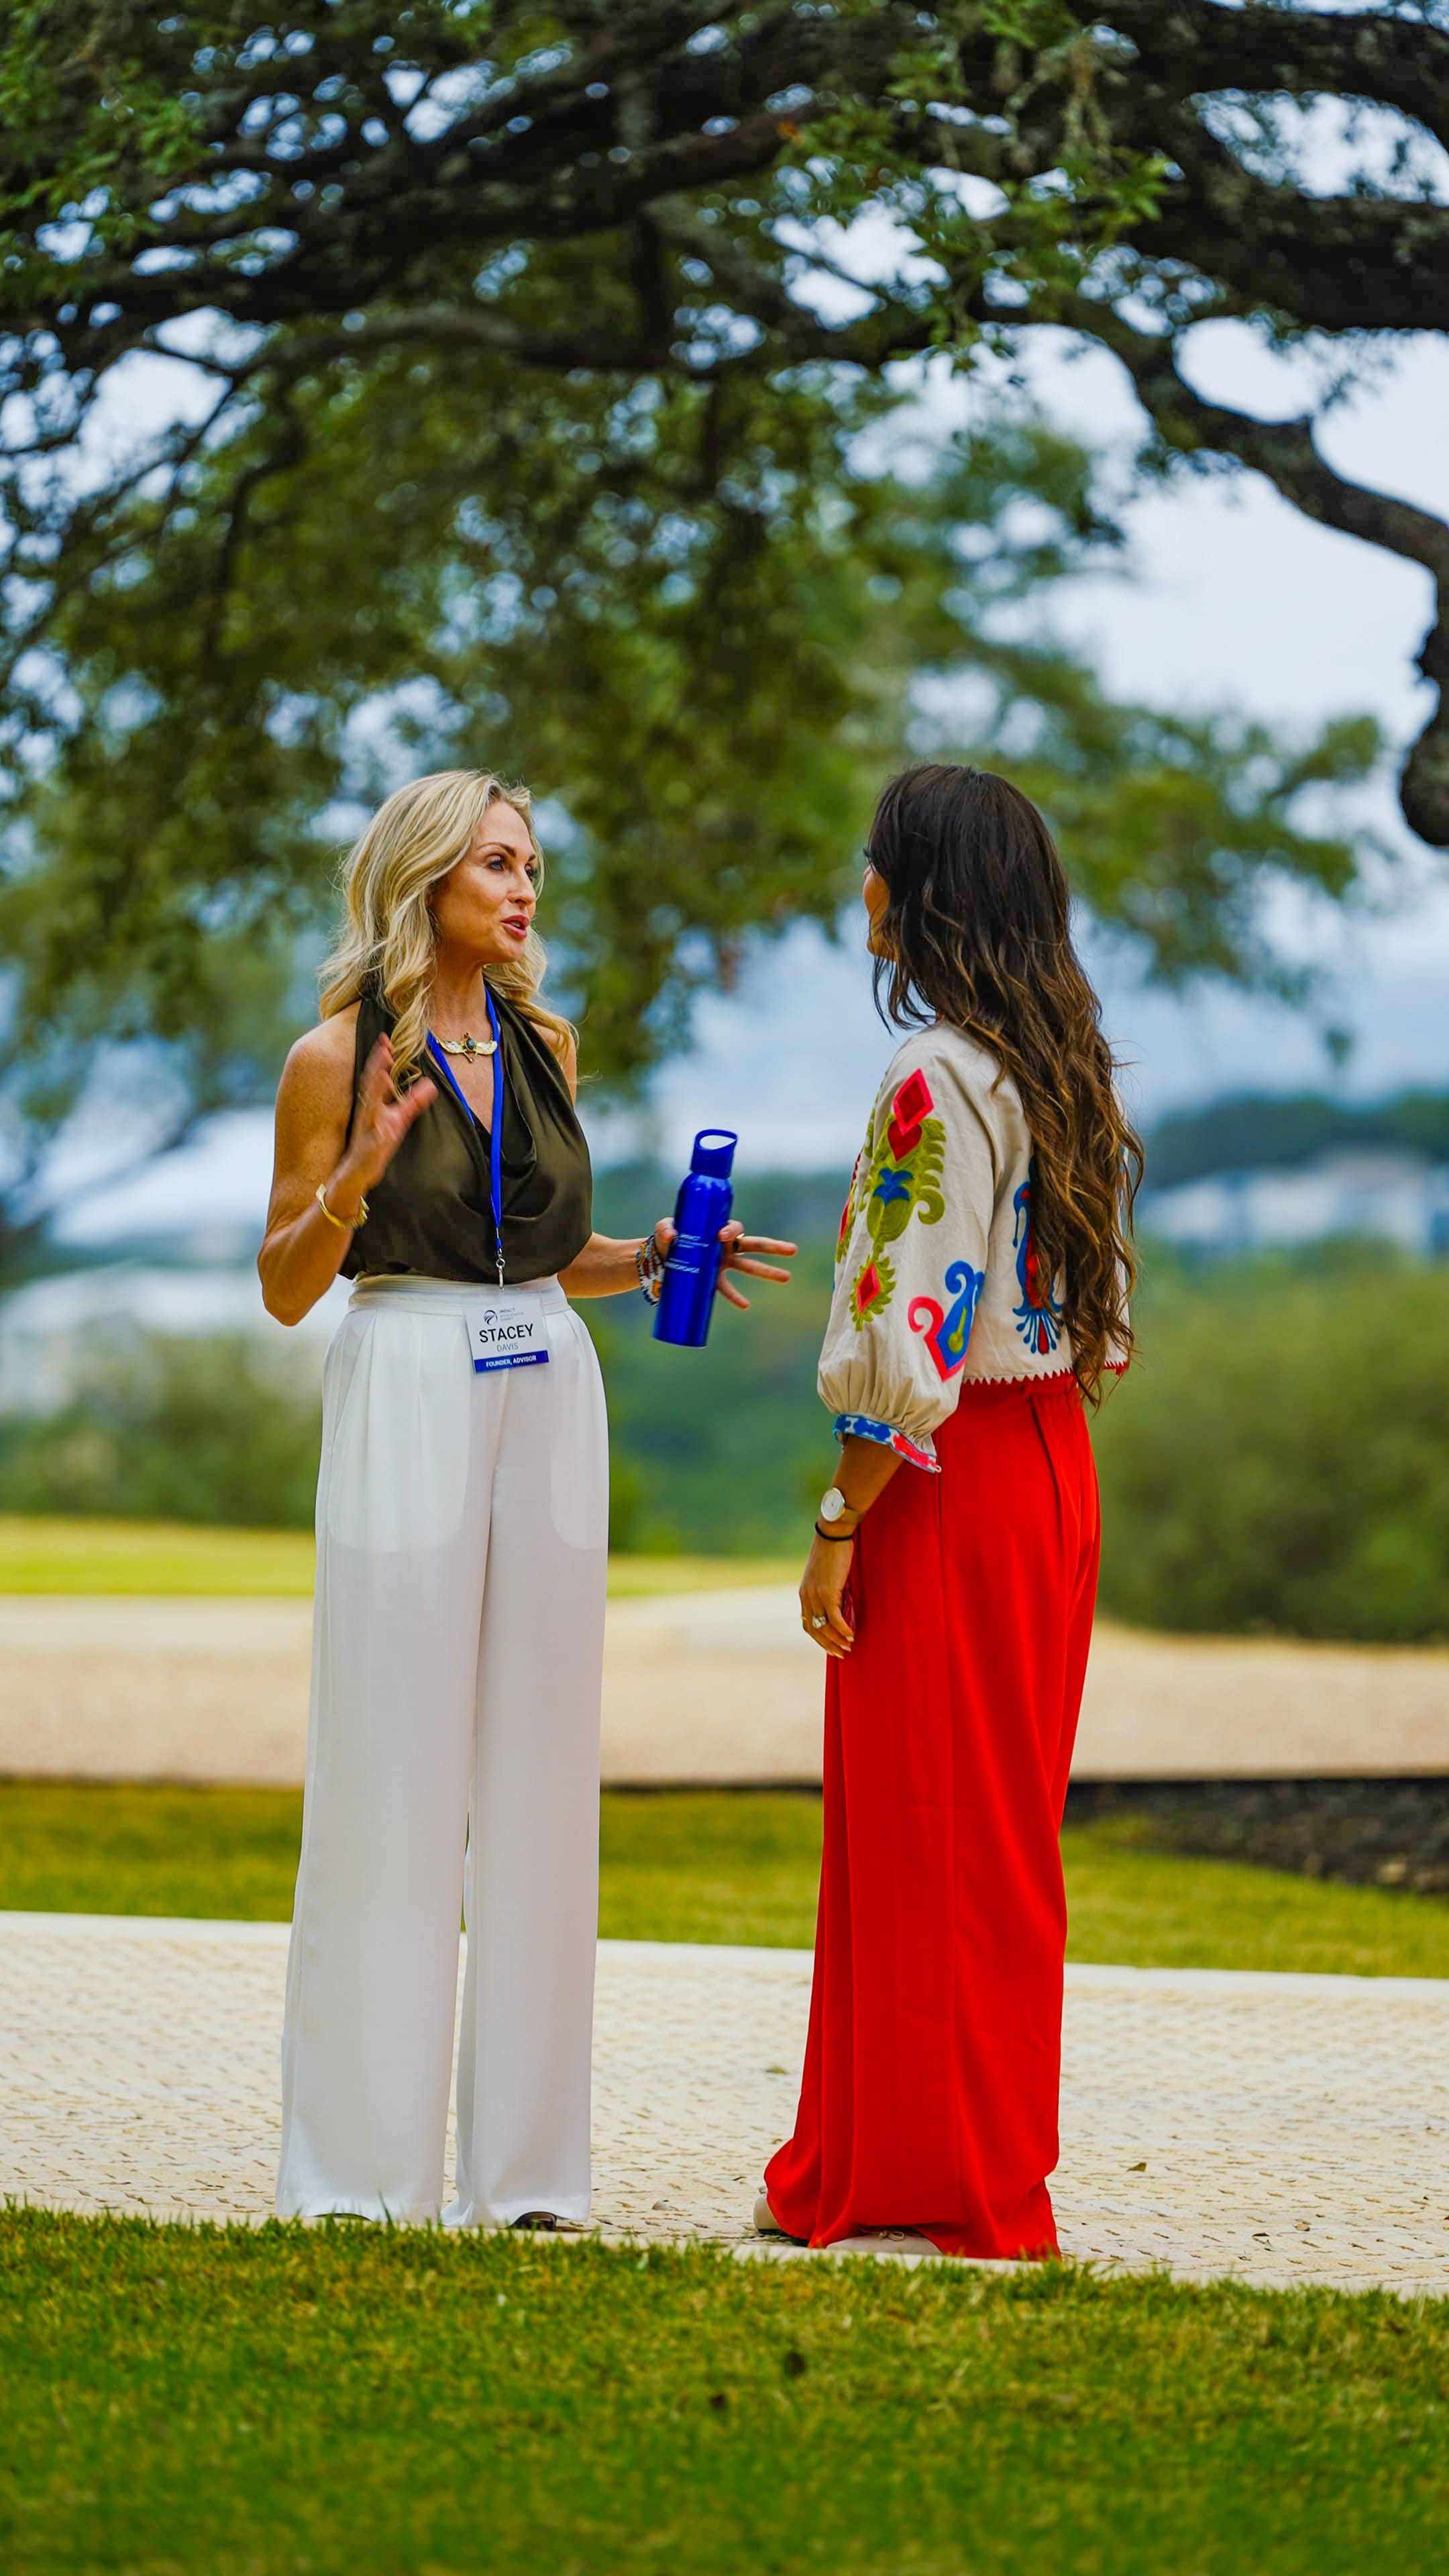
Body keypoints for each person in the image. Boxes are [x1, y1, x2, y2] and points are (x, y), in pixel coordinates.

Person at [259, 766, 794, 2229]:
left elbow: (545, 1256)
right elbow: (291, 1285)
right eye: (496, 863)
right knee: (390, 1767)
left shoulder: (544, 1041)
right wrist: (357, 1173)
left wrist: (667, 1257)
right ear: (426, 875)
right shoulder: (332, 1059)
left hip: (549, 1386)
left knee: (544, 1777)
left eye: (533, 868)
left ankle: (530, 2178)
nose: (521, 890)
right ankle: (354, 2179)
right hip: (406, 1379)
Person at [759, 763, 1140, 2261]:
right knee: (1001, 1836)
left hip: (954, 1476)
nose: (859, 888)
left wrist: (840, 1520)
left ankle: (932, 2178)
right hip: (1052, 1461)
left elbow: (905, 1330)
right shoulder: (1061, 1067)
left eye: (874, 866)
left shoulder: (935, 1081)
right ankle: (963, 2164)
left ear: (916, 898)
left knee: (916, 1825)